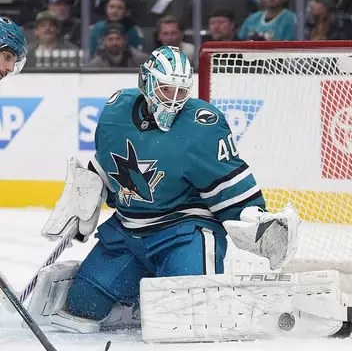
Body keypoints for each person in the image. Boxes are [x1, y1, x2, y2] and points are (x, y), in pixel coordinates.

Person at [30, 46, 300, 333]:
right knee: (84, 306)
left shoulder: (201, 125)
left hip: (183, 231)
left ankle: (169, 290)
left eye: (180, 92)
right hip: (128, 231)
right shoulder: (115, 111)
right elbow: (106, 164)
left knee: (190, 316)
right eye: (165, 90)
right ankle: (135, 301)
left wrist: (253, 218)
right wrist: (83, 198)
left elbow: (228, 183)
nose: (172, 101)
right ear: (146, 82)